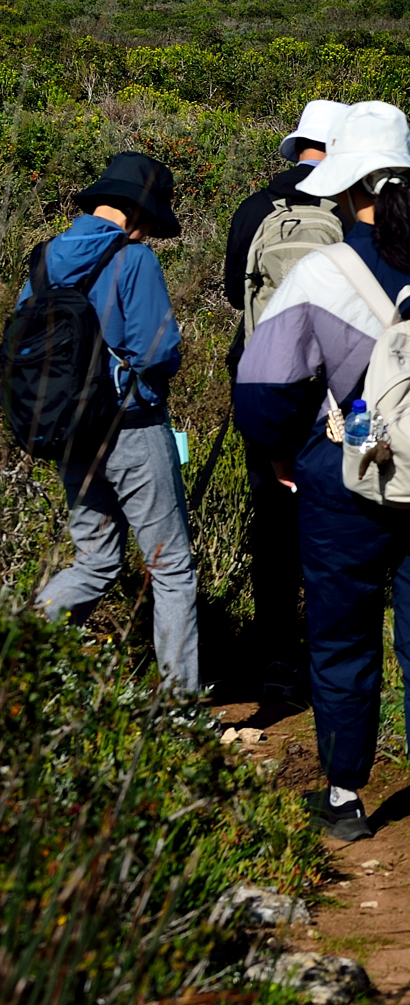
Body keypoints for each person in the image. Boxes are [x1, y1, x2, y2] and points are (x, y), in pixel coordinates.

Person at [233, 102, 410, 863]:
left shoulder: (320, 272)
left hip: (343, 477)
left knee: (342, 634)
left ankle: (346, 796)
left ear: (346, 189)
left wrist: (284, 453)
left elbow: (264, 387)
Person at [23, 153, 193, 694]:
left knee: (95, 561)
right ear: (137, 212)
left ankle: (20, 656)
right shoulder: (134, 259)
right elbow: (157, 350)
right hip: (132, 428)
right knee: (171, 568)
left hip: (68, 432)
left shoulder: (45, 259)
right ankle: (179, 712)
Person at [220, 98, 350, 701]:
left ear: (298, 145)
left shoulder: (255, 208)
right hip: (333, 392)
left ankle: (275, 654)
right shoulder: (350, 208)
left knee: (271, 520)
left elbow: (234, 294)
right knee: (337, 520)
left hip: (262, 381)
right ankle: (334, 656)